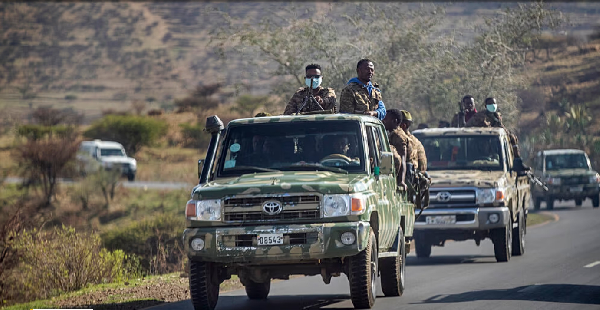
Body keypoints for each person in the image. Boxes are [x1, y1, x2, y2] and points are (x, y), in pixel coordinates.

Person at [466, 97, 529, 170]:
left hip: (494, 140)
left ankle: (517, 161)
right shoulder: (480, 116)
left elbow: (502, 128)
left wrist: (509, 135)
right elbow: (474, 126)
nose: (492, 105)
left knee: (512, 138)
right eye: (490, 104)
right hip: (480, 140)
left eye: (494, 103)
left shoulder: (496, 116)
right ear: (486, 106)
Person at [382, 109, 409, 191]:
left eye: (386, 119)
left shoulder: (398, 136)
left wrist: (401, 181)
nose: (384, 121)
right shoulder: (392, 134)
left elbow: (403, 158)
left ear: (394, 121)